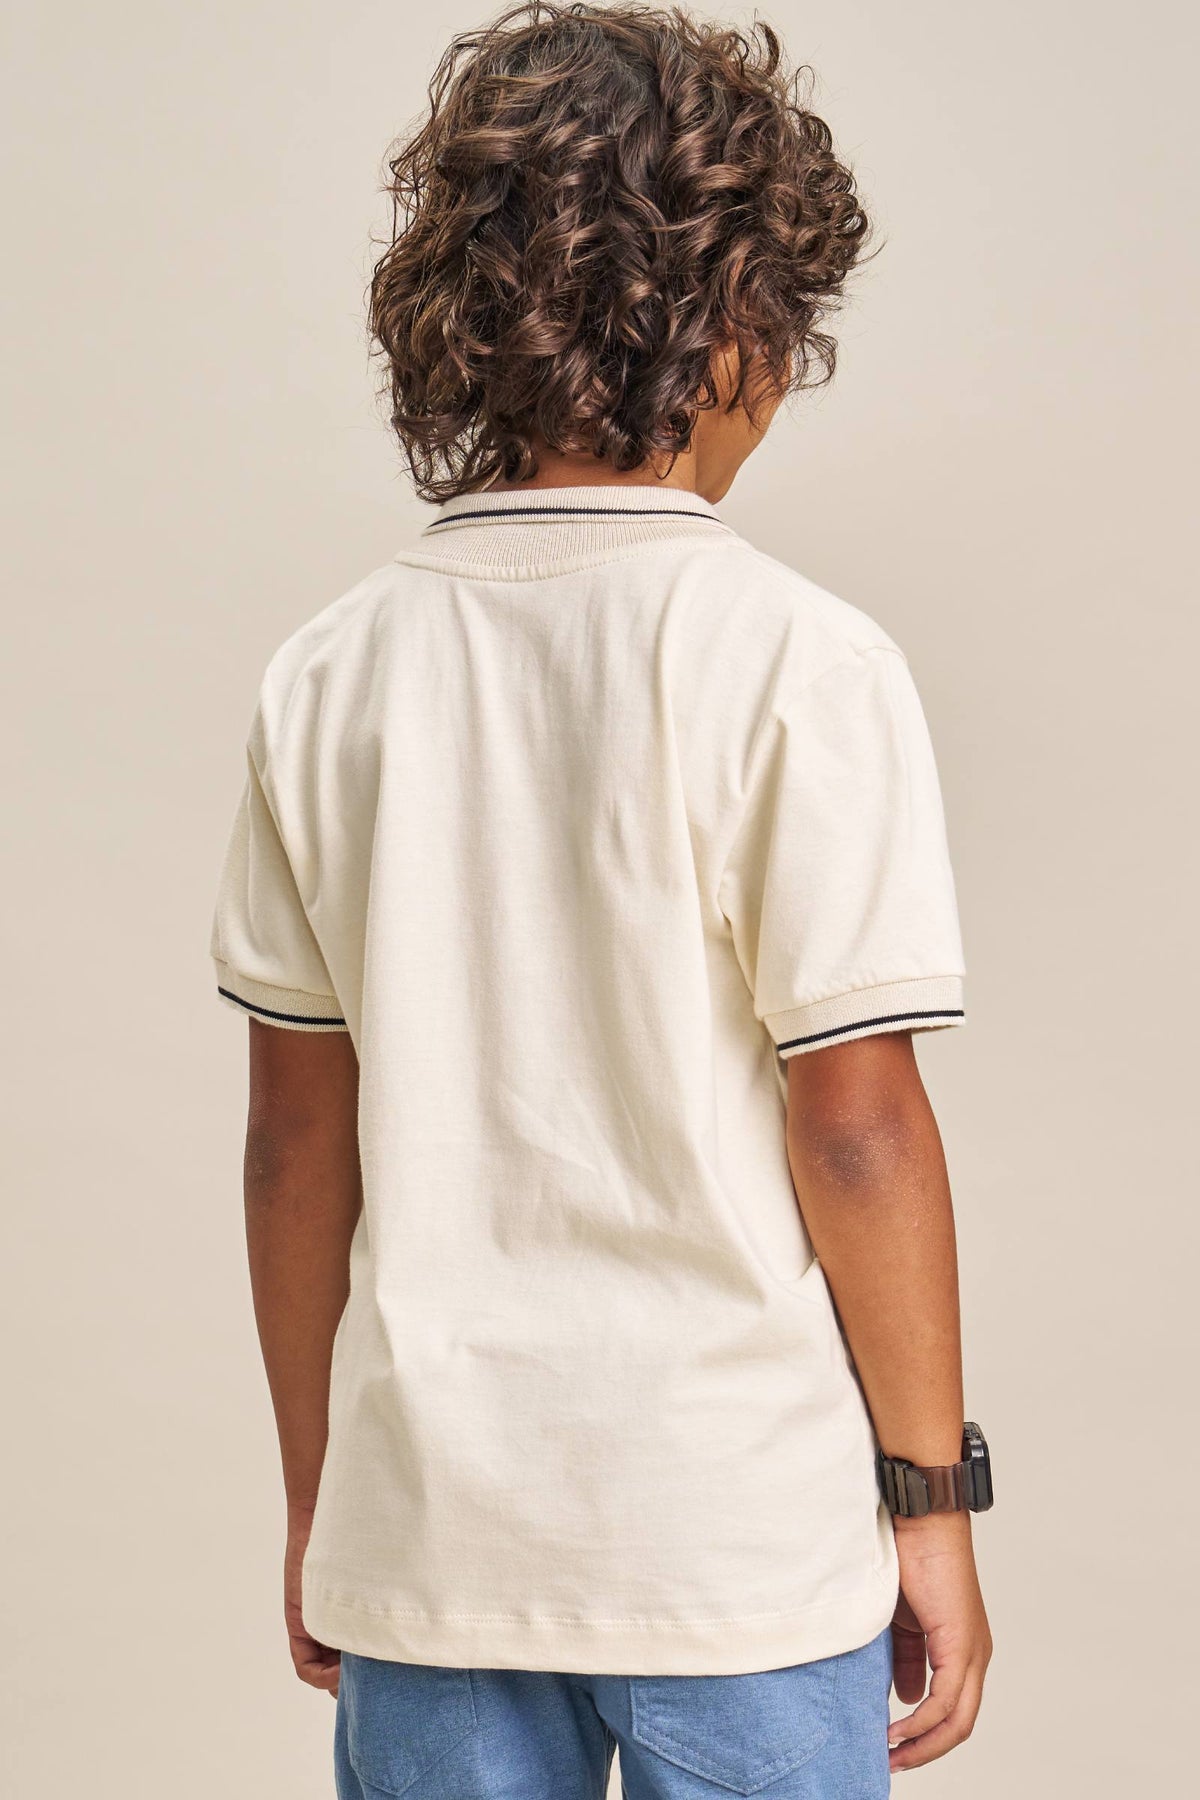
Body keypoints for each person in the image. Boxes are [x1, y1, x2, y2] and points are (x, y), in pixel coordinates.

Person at [211, 5, 993, 1794]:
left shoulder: (328, 675)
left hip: (433, 1538)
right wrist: (932, 1507)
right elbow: (858, 1128)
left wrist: (325, 1500)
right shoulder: (801, 662)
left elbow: (290, 1143)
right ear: (732, 328)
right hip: (739, 1546)